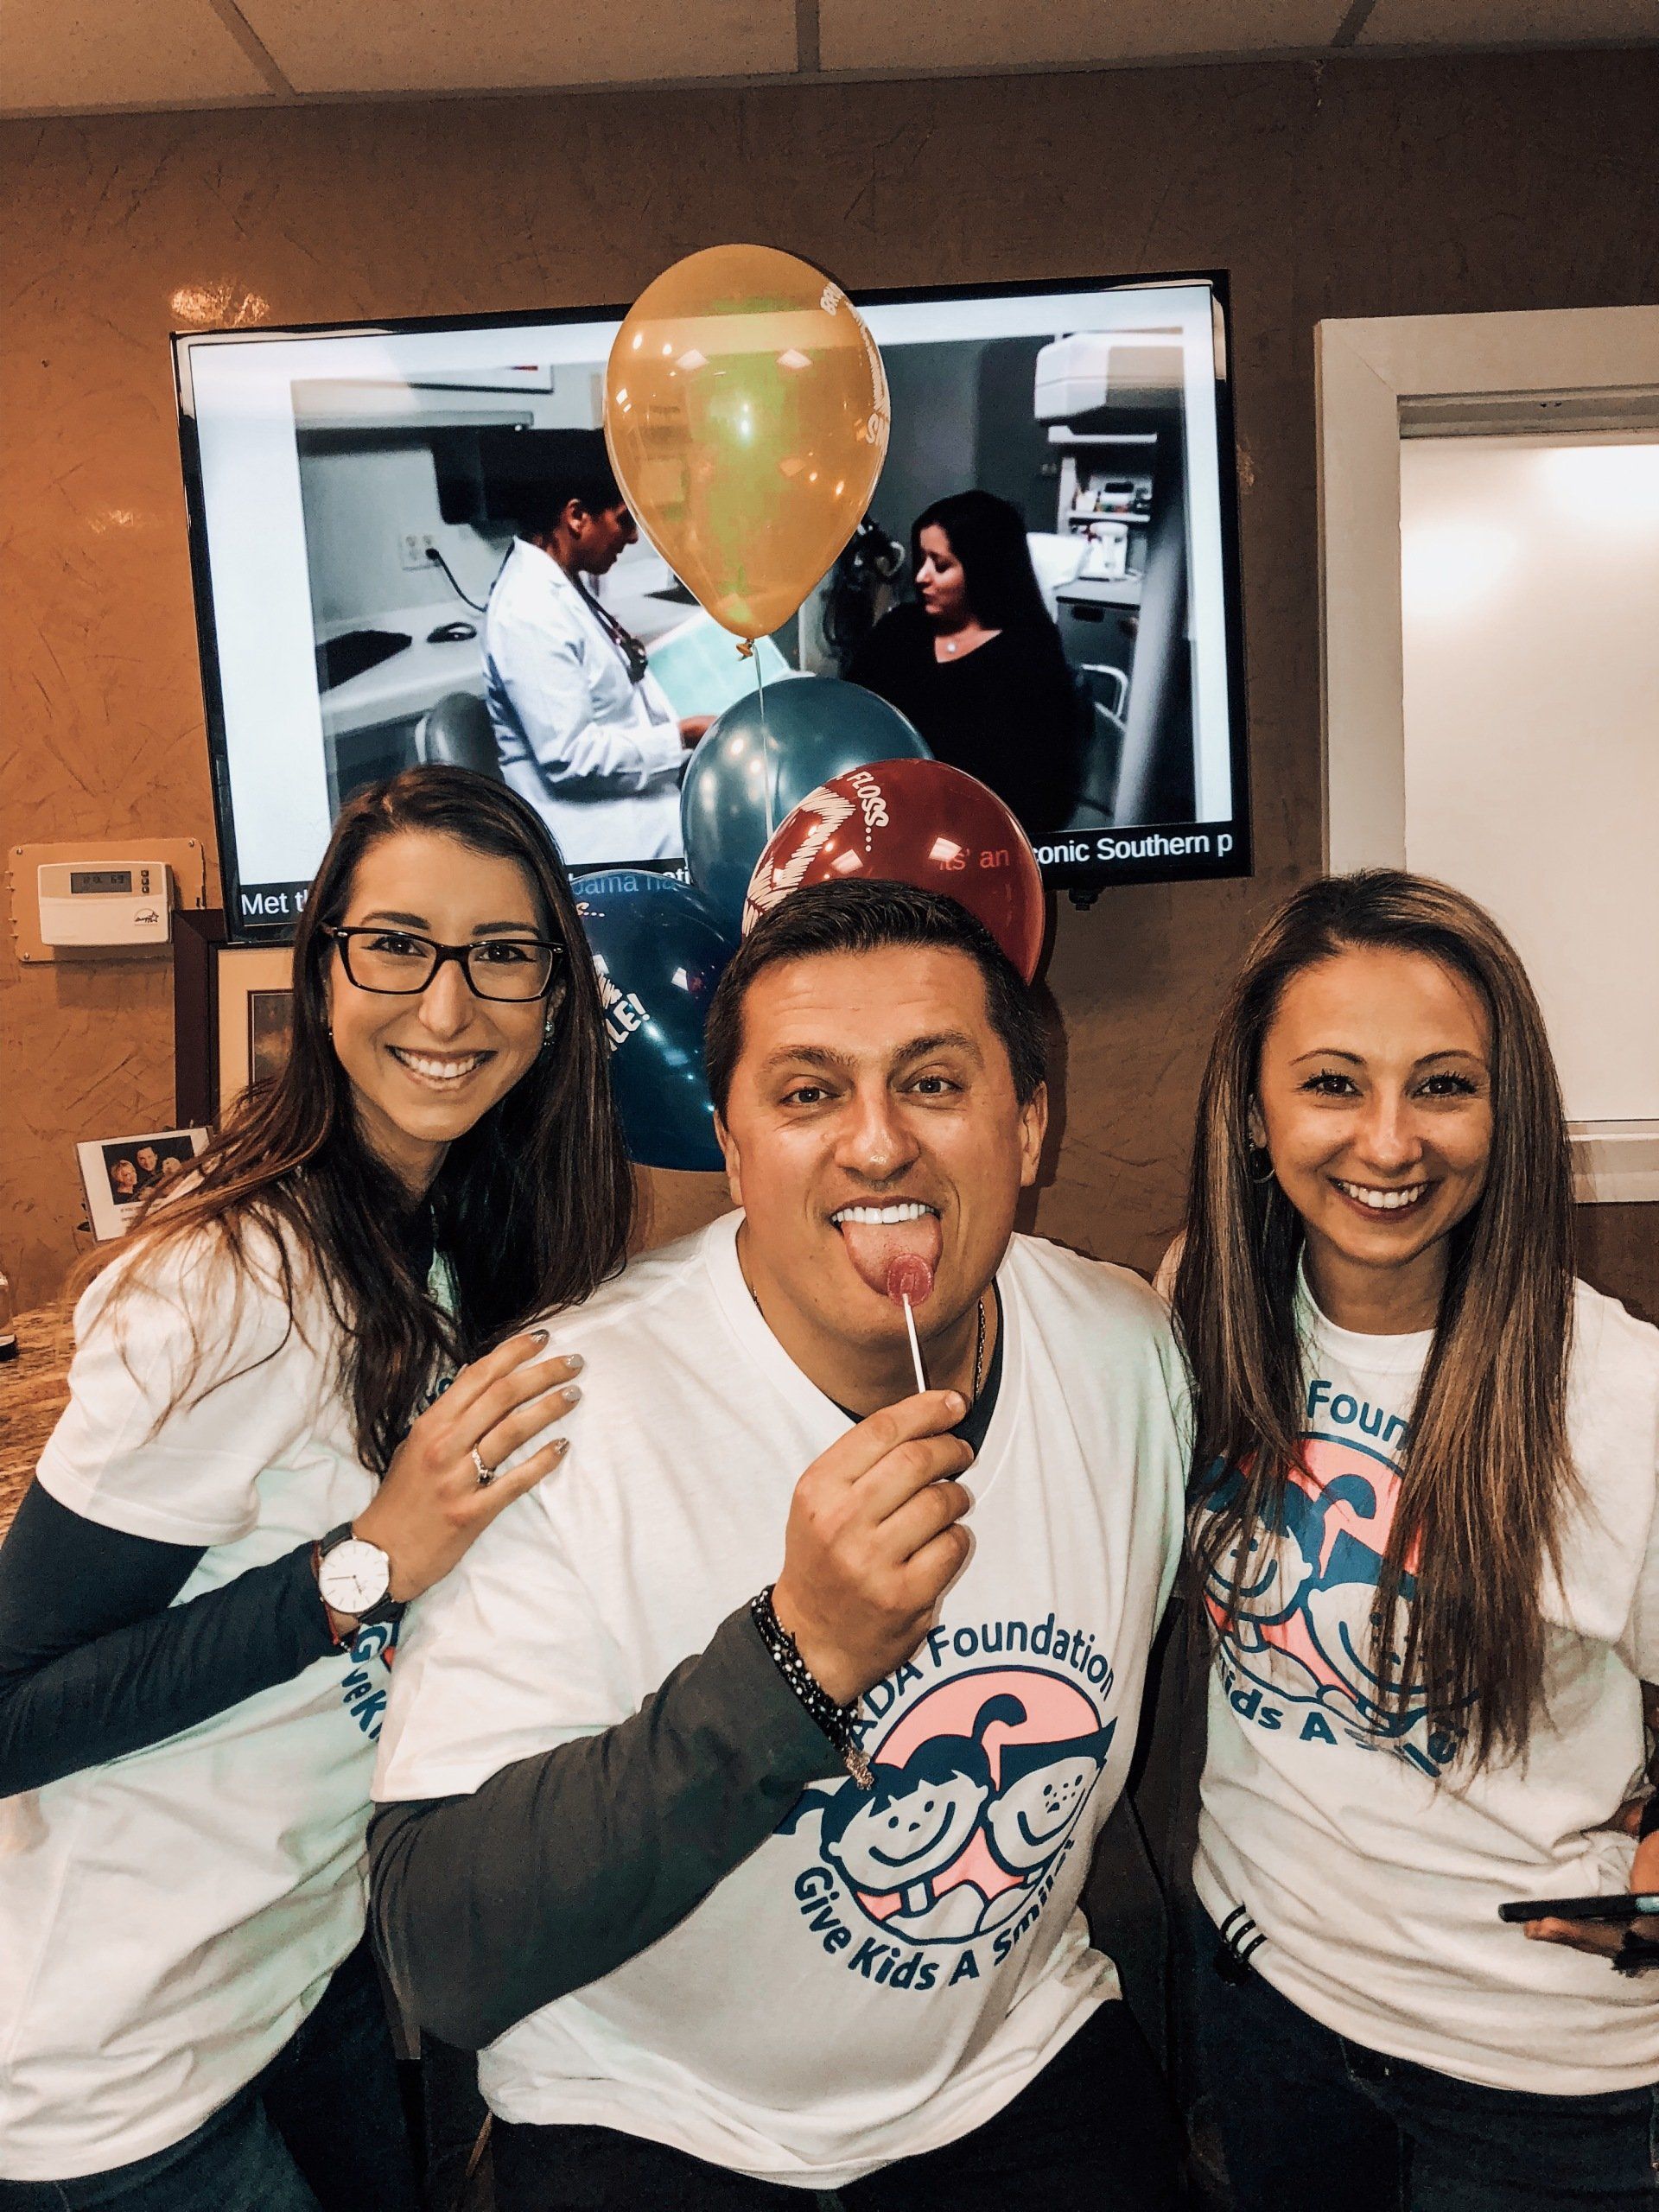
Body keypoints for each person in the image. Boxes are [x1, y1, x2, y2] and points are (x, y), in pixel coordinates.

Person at [370, 879, 1189, 2209]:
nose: (877, 1146)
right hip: (652, 2115)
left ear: (1028, 1123)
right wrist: (795, 1660)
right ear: (733, 1148)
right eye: (809, 1094)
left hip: (1011, 2064)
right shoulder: (562, 1415)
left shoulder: (1125, 1355)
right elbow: (443, 1950)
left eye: (933, 1082)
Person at [0, 766, 632, 2210]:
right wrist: (365, 1565)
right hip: (109, 2070)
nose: (448, 1007)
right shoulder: (232, 1281)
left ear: (554, 996)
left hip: (290, 1974)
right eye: (396, 944)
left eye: (502, 955)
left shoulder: (448, 1239)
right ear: (322, 968)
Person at [1168, 869, 1659, 2212]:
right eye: (1333, 1082)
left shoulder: (1618, 1397)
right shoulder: (1196, 1315)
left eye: (1443, 1085)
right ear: (1255, 1109)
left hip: (1546, 2091)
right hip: (1269, 2009)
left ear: (1507, 1115)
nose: (1390, 1142)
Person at [482, 428, 713, 865]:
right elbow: (571, 759)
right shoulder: (528, 610)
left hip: (637, 800)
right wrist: (682, 737)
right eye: (624, 520)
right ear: (576, 517)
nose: (632, 538)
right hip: (596, 837)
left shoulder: (565, 583)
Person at [849, 490, 1083, 839]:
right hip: (881, 817)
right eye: (921, 559)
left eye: (940, 565)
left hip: (975, 837)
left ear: (981, 570)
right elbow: (854, 711)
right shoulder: (900, 629)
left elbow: (1040, 790)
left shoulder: (1029, 654)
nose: (921, 577)